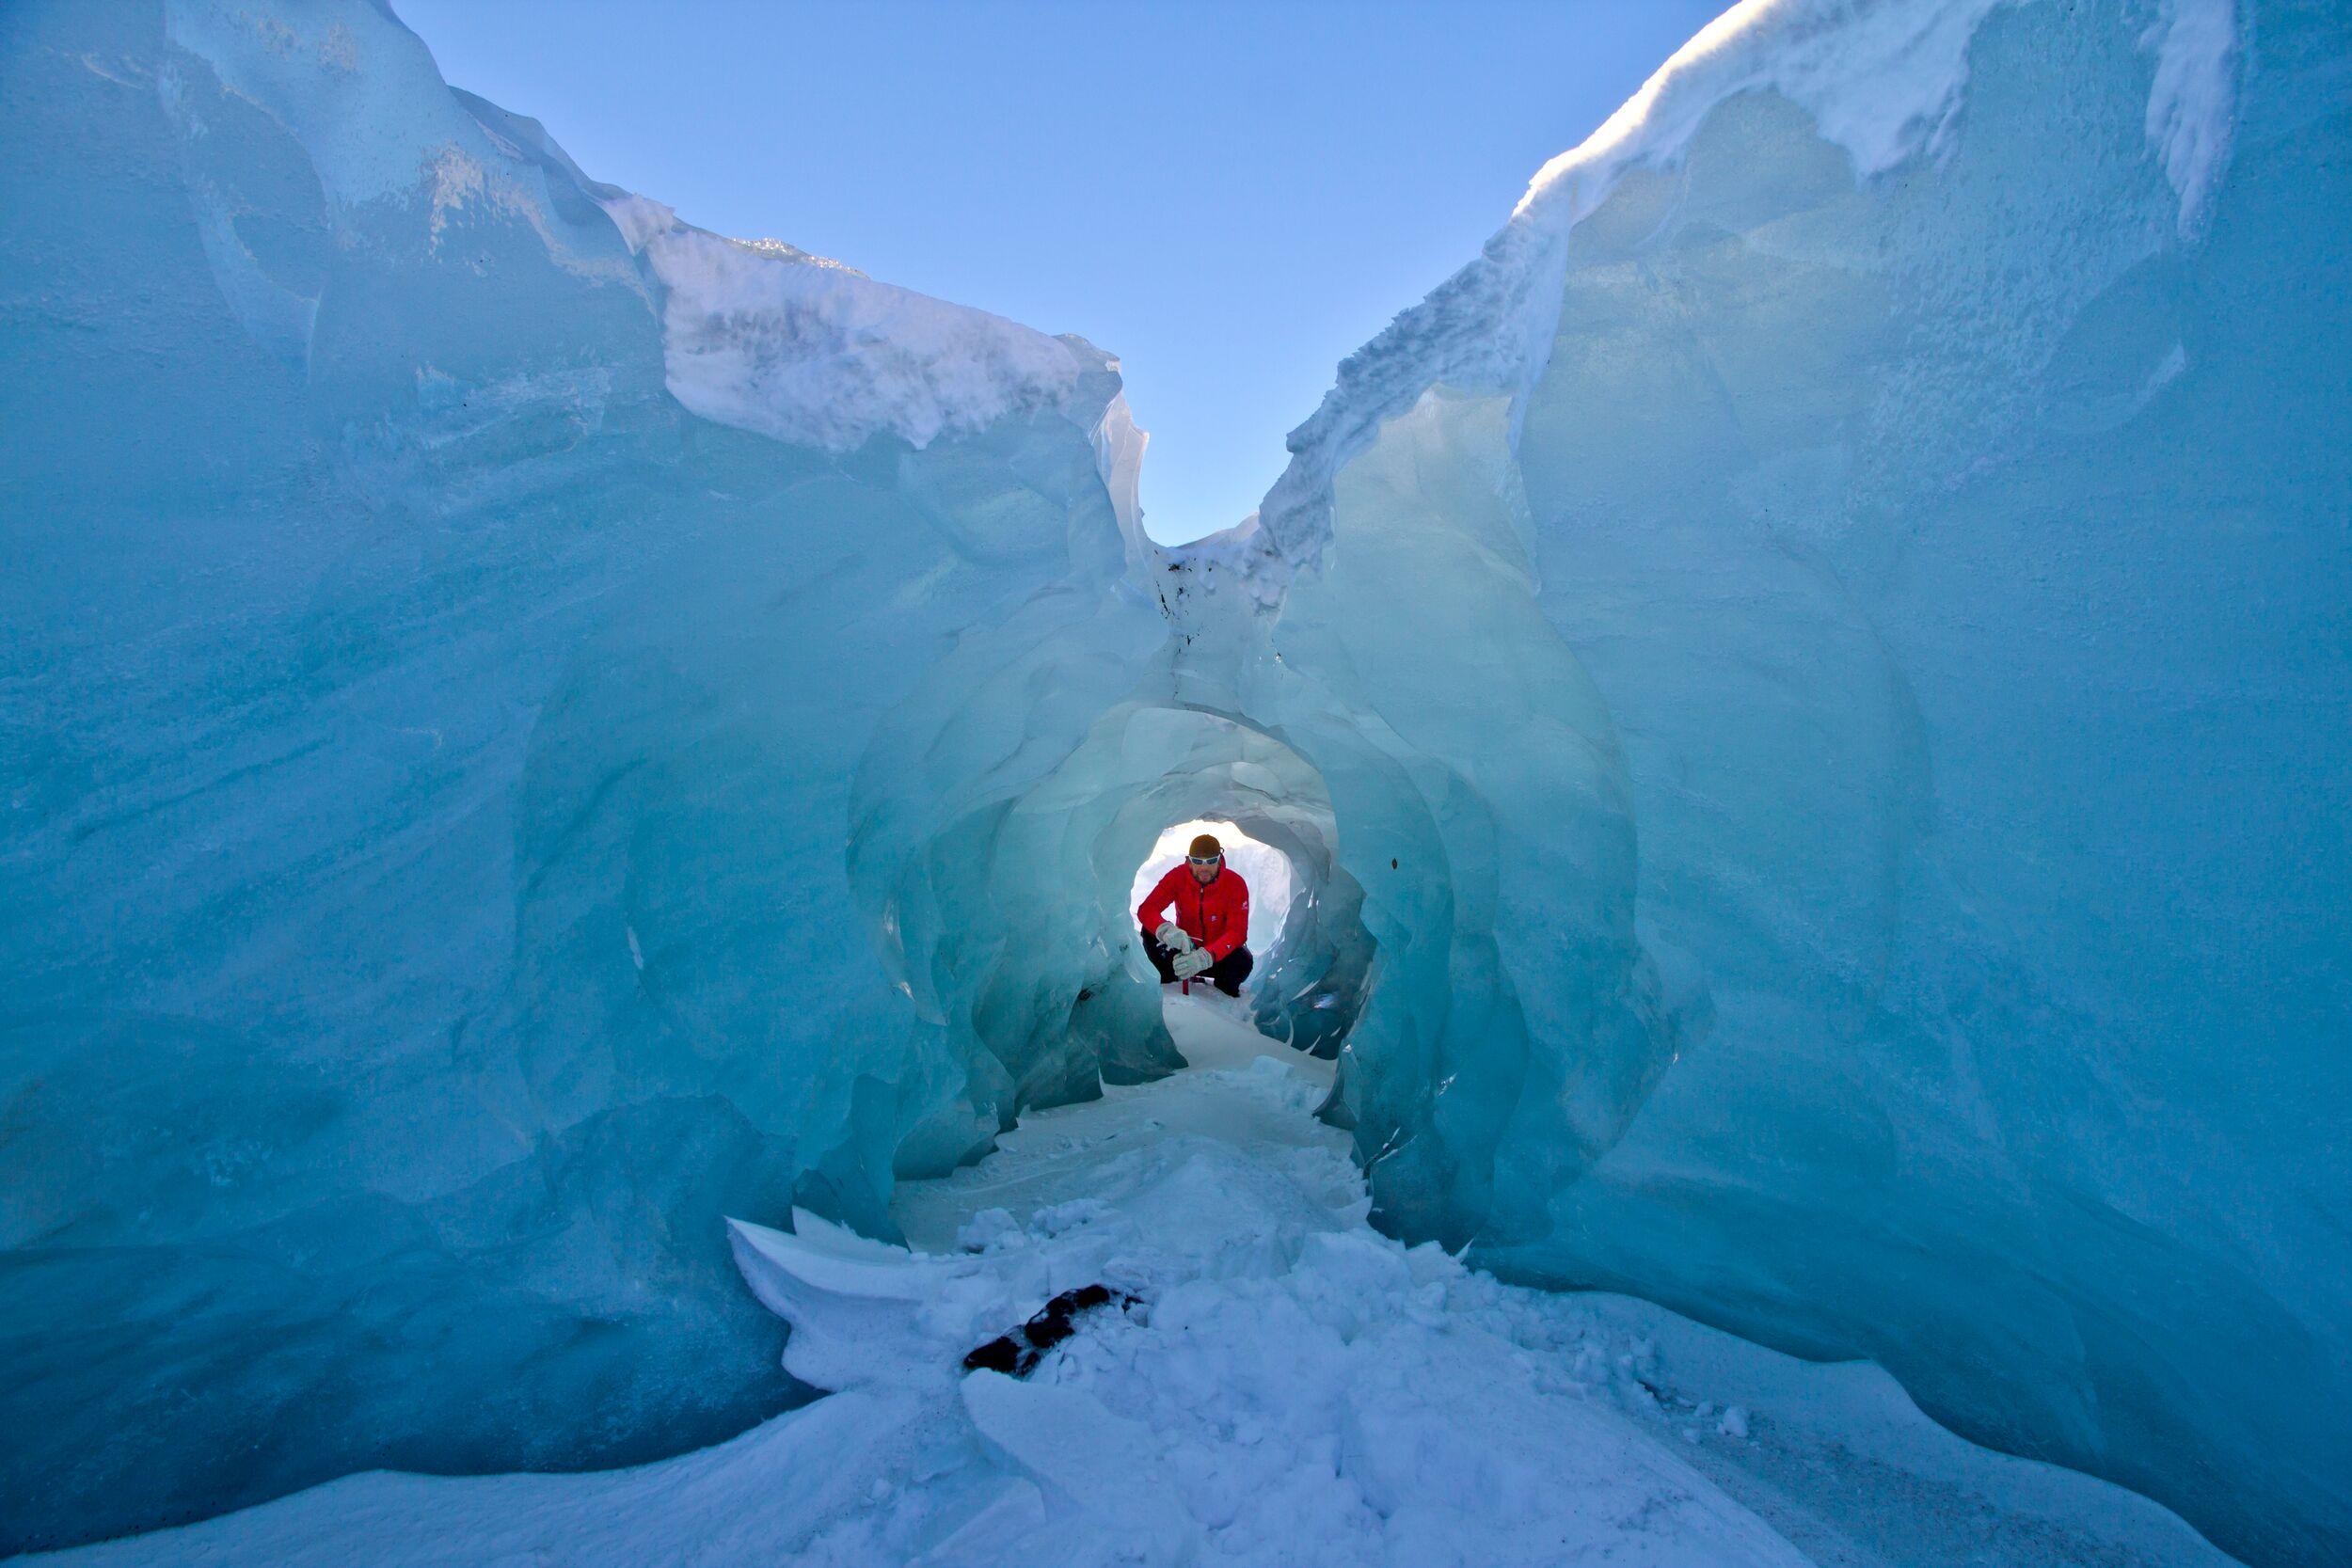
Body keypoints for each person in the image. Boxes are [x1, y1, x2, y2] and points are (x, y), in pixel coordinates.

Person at [1136, 832, 1253, 997]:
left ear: (1220, 860)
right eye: (1197, 861)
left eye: (1211, 861)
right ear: (1189, 861)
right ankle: (1168, 985)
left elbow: (1237, 932)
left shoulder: (1235, 884)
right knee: (1150, 931)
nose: (1204, 868)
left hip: (1215, 957)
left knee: (1243, 960)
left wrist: (1206, 956)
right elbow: (1147, 909)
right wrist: (1167, 931)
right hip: (1182, 951)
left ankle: (1223, 997)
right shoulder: (1177, 877)